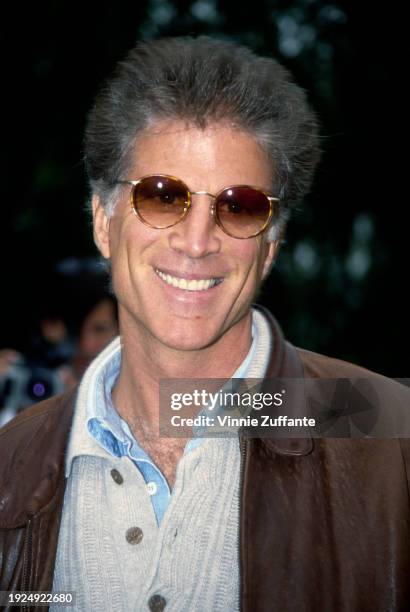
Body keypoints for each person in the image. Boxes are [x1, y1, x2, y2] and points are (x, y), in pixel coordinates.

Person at [0, 36, 409, 612]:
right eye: (162, 197)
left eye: (239, 207)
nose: (196, 243)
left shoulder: (390, 439)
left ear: (270, 246)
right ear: (102, 222)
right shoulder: (10, 463)